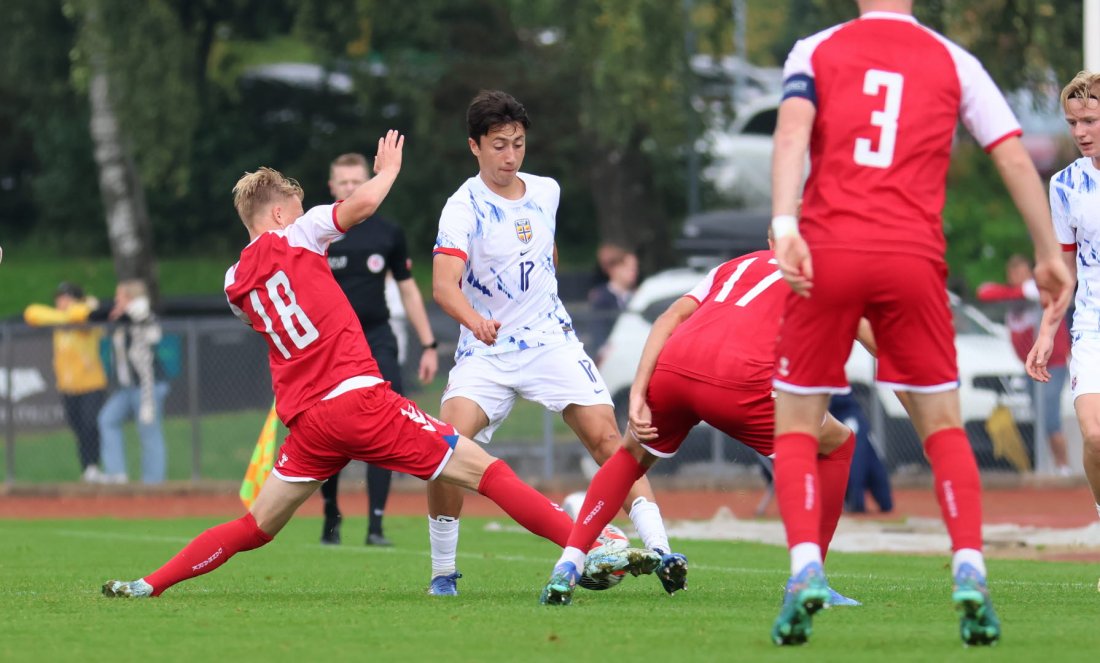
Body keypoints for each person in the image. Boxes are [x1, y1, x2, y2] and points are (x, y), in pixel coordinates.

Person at [101, 133, 657, 599]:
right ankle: (586, 543)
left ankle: (150, 584)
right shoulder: (298, 232)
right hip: (359, 399)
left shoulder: (232, 283)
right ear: (277, 213)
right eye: (295, 207)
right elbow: (359, 207)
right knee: (488, 472)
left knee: (255, 526)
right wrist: (387, 170)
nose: (305, 215)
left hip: (309, 422)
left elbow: (272, 317)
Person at [767, 0, 1072, 646]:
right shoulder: (956, 61)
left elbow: (791, 134)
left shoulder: (815, 49)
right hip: (912, 259)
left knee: (796, 424)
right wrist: (1047, 251)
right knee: (942, 425)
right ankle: (969, 566)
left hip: (831, 250)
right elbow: (1013, 157)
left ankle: (803, 571)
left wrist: (784, 223)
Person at [428, 90, 675, 596]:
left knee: (611, 440)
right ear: (474, 146)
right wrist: (476, 320)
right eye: (498, 145)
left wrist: (540, 303)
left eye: (518, 143)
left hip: (548, 342)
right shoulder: (462, 207)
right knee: (444, 447)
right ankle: (443, 572)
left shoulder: (546, 191)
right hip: (487, 351)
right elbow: (442, 285)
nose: (510, 155)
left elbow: (545, 253)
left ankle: (663, 551)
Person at [539, 242, 861, 607]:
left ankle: (568, 565)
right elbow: (873, 339)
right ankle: (808, 577)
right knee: (837, 443)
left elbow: (670, 318)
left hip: (677, 365)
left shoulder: (735, 265)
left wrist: (638, 392)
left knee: (628, 459)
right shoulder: (826, 276)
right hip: (740, 379)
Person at [319, 152, 440, 547]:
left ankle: (375, 526)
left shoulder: (388, 232)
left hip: (376, 338)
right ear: (332, 186)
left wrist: (428, 344)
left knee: (383, 427)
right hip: (330, 344)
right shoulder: (318, 230)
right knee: (327, 433)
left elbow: (407, 289)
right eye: (344, 182)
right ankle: (330, 520)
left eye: (358, 181)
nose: (351, 188)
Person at [1028, 70, 1100, 525]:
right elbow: (1065, 272)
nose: (1080, 132)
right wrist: (1046, 332)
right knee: (1093, 436)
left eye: (1090, 120)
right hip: (1092, 327)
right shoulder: (1064, 186)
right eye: (1073, 123)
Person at [978, 254, 1072, 475]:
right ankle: (1049, 467)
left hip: (1053, 365)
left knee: (1050, 419)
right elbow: (984, 292)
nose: (1017, 276)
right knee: (1039, 418)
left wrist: (1017, 290)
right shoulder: (1015, 297)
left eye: (1021, 271)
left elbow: (1032, 291)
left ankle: (1064, 468)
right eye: (1013, 272)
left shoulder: (1040, 290)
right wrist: (1013, 291)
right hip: (1030, 368)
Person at [23, 282, 109, 482]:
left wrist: (80, 311)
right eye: (59, 297)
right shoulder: (61, 319)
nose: (60, 301)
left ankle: (94, 466)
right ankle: (87, 469)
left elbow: (84, 317)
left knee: (89, 424)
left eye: (66, 297)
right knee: (77, 427)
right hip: (68, 385)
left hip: (91, 383)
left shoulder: (86, 317)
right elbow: (31, 313)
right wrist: (66, 316)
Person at [587, 243, 639, 353]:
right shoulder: (601, 298)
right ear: (614, 269)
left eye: (635, 268)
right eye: (628, 268)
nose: (633, 272)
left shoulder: (637, 296)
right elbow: (598, 331)